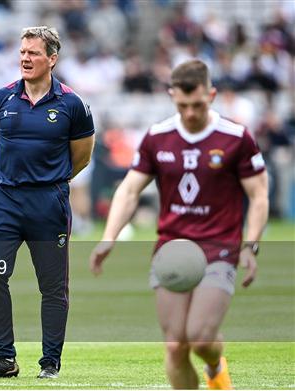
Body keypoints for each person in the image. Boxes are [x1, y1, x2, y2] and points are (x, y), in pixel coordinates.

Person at [89, 59, 268, 390]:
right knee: (175, 346)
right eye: (182, 105)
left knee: (199, 338)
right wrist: (109, 237)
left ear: (211, 95)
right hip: (171, 251)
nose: (189, 113)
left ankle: (215, 365)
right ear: (172, 95)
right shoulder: (158, 138)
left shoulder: (236, 138)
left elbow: (258, 196)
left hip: (218, 249)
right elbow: (129, 189)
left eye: (197, 104)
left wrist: (251, 245)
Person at [0, 26, 95, 379]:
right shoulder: (0, 99)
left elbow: (82, 157)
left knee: (52, 286)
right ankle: (3, 359)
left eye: (34, 53)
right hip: (5, 200)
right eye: (23, 52)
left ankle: (50, 363)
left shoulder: (74, 104)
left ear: (52, 59)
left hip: (50, 203)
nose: (25, 58)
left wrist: (48, 182)